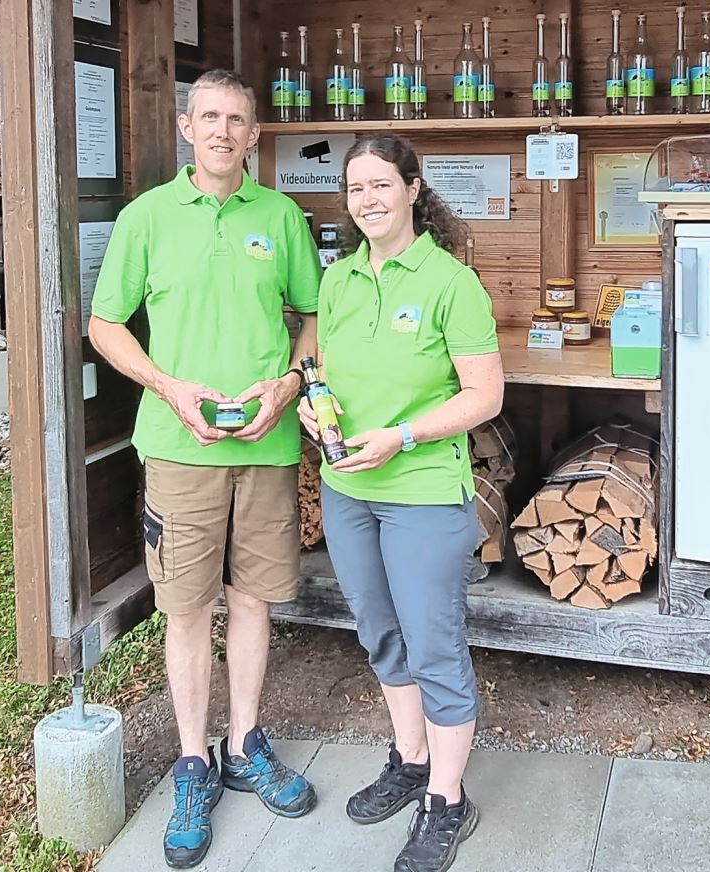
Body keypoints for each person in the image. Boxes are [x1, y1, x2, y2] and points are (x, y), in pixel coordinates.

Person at [88, 69, 320, 869]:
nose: (223, 131)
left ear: (256, 135)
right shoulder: (146, 218)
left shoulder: (281, 216)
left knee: (253, 599)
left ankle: (245, 742)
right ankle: (194, 762)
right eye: (210, 117)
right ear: (187, 129)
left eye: (238, 120)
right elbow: (104, 323)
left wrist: (288, 386)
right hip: (178, 445)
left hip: (266, 443)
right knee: (186, 608)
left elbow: (314, 316)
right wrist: (167, 384)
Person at [298, 134, 504, 872]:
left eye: (382, 184)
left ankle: (447, 800)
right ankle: (411, 759)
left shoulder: (452, 282)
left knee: (434, 645)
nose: (368, 200)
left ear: (414, 190)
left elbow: (486, 396)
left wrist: (403, 435)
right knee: (381, 636)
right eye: (356, 188)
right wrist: (311, 409)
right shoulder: (340, 279)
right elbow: (318, 370)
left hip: (420, 492)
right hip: (347, 487)